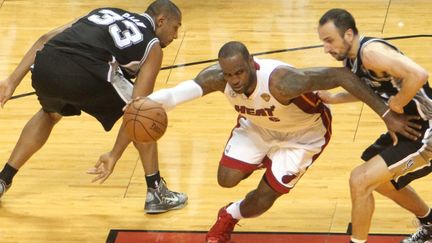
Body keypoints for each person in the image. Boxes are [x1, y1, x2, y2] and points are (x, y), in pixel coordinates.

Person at [107, 41, 419, 243]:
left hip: (303, 137)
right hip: (258, 127)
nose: (235, 80)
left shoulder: (282, 81)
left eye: (240, 72)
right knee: (226, 179)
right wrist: (145, 103)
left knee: (263, 199)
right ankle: (263, 161)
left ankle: (230, 215)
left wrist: (386, 114)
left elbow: (342, 76)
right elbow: (176, 95)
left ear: (252, 64)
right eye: (229, 75)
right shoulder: (218, 78)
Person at [0, 0, 187, 214]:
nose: (175, 36)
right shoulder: (152, 45)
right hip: (88, 71)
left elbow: (44, 38)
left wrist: (11, 81)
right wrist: (114, 154)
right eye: (175, 27)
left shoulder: (104, 11)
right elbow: (137, 107)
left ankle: (3, 179)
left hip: (47, 64)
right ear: (161, 20)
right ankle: (156, 192)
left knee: (50, 114)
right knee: (145, 115)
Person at [317, 8, 432, 243]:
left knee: (360, 180)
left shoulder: (371, 53)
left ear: (348, 34)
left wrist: (396, 105)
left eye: (329, 41)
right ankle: (429, 221)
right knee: (378, 182)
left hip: (427, 129)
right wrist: (334, 98)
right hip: (409, 128)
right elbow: (370, 91)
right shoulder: (352, 60)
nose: (326, 48)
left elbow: (418, 75)